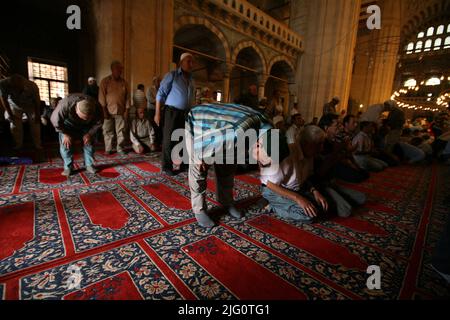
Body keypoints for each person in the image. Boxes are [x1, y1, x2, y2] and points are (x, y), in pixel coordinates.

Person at [185, 103, 268, 228]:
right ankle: (199, 209)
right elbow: (206, 145)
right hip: (199, 121)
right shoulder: (235, 134)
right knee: (199, 168)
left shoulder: (268, 128)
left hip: (226, 125)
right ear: (257, 145)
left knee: (228, 166)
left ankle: (226, 202)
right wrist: (200, 157)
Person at [253, 125, 329, 223]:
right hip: (273, 189)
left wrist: (314, 191)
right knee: (308, 215)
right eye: (319, 144)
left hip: (293, 189)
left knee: (321, 207)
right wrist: (298, 198)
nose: (321, 148)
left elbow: (306, 177)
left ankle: (279, 203)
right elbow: (269, 184)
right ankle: (271, 205)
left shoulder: (310, 155)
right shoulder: (287, 154)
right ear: (307, 143)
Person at [316, 114, 366, 218]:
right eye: (337, 125)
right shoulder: (318, 142)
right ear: (326, 128)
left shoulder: (332, 141)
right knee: (346, 210)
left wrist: (343, 151)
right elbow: (319, 172)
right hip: (317, 185)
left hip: (329, 182)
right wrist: (339, 150)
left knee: (361, 198)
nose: (341, 128)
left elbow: (335, 162)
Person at [155, 52, 195, 176]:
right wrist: (157, 113)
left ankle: (183, 164)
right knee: (169, 139)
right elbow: (160, 94)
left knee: (183, 138)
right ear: (181, 62)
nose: (191, 64)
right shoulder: (172, 75)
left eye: (192, 62)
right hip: (171, 111)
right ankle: (167, 166)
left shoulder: (192, 80)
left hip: (186, 113)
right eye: (188, 61)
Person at [50, 94, 103, 176]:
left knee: (88, 143)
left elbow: (99, 122)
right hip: (67, 125)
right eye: (83, 117)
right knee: (66, 144)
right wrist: (65, 134)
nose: (84, 119)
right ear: (76, 109)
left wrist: (89, 133)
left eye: (87, 117)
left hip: (86, 126)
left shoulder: (97, 107)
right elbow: (56, 122)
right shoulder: (65, 105)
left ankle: (89, 165)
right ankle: (68, 167)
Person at [0, 74, 42, 150]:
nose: (17, 92)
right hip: (14, 105)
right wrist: (10, 114)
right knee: (14, 124)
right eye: (15, 89)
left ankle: (37, 144)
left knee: (35, 123)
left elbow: (37, 101)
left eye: (19, 89)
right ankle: (18, 145)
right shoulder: (3, 84)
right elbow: (3, 99)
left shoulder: (32, 86)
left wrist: (37, 114)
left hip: (30, 105)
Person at [99, 61, 130, 155]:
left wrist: (127, 110)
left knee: (121, 131)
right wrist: (104, 111)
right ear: (112, 69)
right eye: (118, 68)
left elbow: (127, 98)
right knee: (108, 131)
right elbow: (101, 97)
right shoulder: (105, 81)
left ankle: (120, 148)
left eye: (121, 69)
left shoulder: (124, 82)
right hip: (108, 111)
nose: (120, 71)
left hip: (120, 111)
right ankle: (108, 148)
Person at [146, 76, 162, 147]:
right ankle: (153, 142)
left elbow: (164, 100)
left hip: (159, 110)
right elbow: (151, 100)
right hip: (151, 111)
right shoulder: (149, 89)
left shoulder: (161, 90)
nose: (159, 82)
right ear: (154, 82)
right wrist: (159, 102)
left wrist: (160, 102)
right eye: (158, 81)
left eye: (160, 81)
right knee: (152, 127)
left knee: (159, 127)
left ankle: (158, 142)